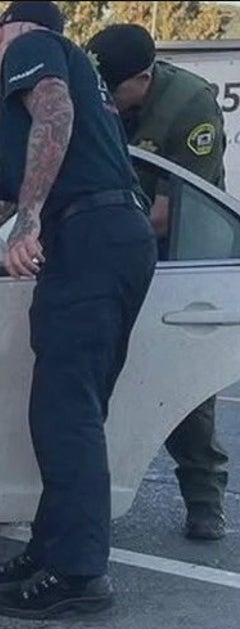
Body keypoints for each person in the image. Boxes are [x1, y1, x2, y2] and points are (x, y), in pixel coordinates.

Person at [0, 1, 158, 619]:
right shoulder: (50, 126)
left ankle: (79, 574)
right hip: (112, 239)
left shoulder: (33, 47)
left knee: (66, 415)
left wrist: (32, 220)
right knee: (68, 411)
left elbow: (53, 112)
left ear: (4, 32)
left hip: (88, 240)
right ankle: (50, 550)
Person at [86, 23, 231, 541]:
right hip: (115, 239)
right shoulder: (100, 90)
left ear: (143, 79)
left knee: (183, 382)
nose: (106, 98)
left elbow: (171, 213)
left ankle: (204, 497)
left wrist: (93, 227)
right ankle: (83, 492)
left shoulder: (190, 107)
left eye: (115, 89)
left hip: (178, 249)